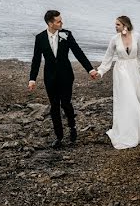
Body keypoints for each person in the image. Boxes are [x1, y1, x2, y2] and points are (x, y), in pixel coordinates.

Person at [29, 10, 97, 148]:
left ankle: (72, 126)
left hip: (66, 75)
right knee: (54, 107)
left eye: (61, 20)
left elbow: (78, 52)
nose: (61, 23)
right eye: (58, 21)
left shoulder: (66, 34)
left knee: (65, 103)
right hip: (50, 77)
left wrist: (90, 69)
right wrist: (32, 79)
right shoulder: (40, 38)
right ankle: (59, 137)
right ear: (50, 23)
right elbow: (36, 60)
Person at [95, 15, 140, 149]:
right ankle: (128, 131)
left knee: (139, 98)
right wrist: (100, 71)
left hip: (134, 70)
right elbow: (108, 57)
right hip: (120, 71)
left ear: (125, 25)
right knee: (127, 100)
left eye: (117, 25)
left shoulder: (137, 36)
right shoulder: (114, 39)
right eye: (115, 25)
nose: (115, 27)